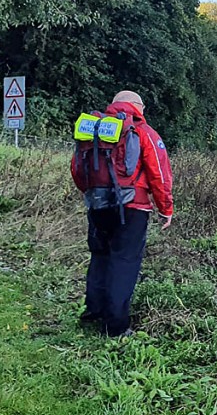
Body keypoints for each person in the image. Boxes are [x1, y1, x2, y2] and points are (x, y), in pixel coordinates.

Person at [71, 90, 173, 337]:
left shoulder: (93, 130)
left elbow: (77, 169)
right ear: (138, 106)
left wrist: (94, 194)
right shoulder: (142, 131)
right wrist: (165, 208)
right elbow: (159, 175)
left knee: (100, 257)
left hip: (97, 205)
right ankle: (115, 327)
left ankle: (93, 312)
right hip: (132, 208)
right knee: (123, 263)